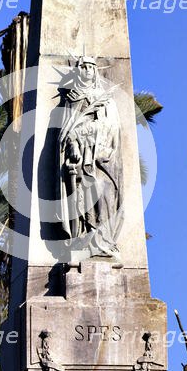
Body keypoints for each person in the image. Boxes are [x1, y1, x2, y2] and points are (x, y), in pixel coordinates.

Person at [58, 55, 123, 260]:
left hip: (101, 158)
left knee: (104, 196)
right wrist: (73, 145)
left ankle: (104, 241)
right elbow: (66, 131)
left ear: (95, 72)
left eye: (91, 68)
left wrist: (88, 131)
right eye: (83, 67)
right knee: (82, 198)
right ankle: (84, 238)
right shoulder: (73, 98)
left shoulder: (106, 101)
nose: (87, 71)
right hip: (80, 160)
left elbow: (112, 128)